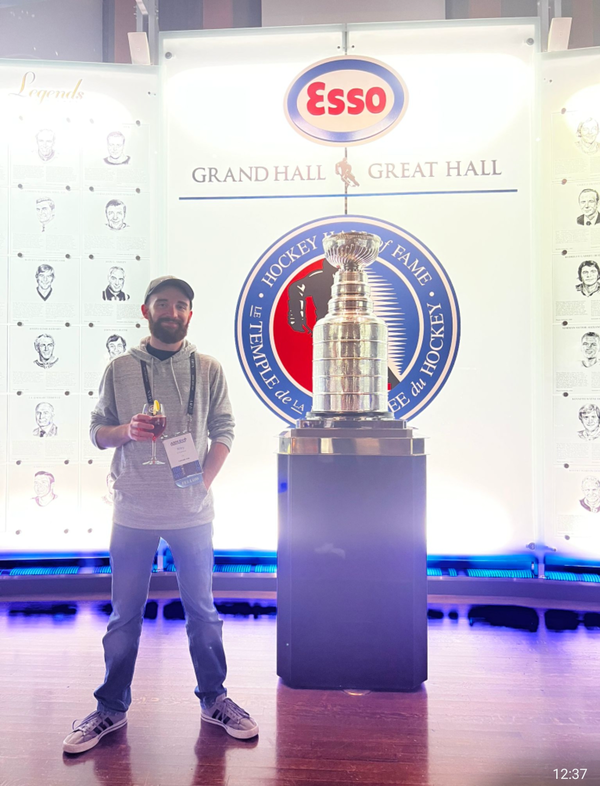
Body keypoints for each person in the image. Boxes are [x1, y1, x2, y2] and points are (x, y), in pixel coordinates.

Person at [62, 274, 258, 755]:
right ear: (145, 311)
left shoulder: (209, 368)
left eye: (180, 305)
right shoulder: (120, 368)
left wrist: (202, 483)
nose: (171, 312)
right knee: (125, 617)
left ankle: (215, 699)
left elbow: (225, 428)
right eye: (162, 304)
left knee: (204, 614)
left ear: (190, 314)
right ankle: (110, 707)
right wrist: (127, 430)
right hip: (132, 510)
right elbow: (97, 432)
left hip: (193, 514)